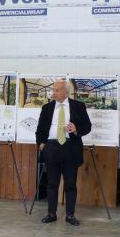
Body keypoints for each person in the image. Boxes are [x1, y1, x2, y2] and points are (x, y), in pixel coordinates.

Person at [35, 79, 91, 226]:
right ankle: (51, 214)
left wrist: (76, 129)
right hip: (52, 148)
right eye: (53, 90)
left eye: (57, 90)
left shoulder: (78, 106)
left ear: (66, 92)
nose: (53, 92)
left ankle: (70, 215)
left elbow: (87, 126)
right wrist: (42, 145)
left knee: (70, 184)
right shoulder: (47, 108)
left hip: (71, 148)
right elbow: (40, 129)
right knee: (52, 184)